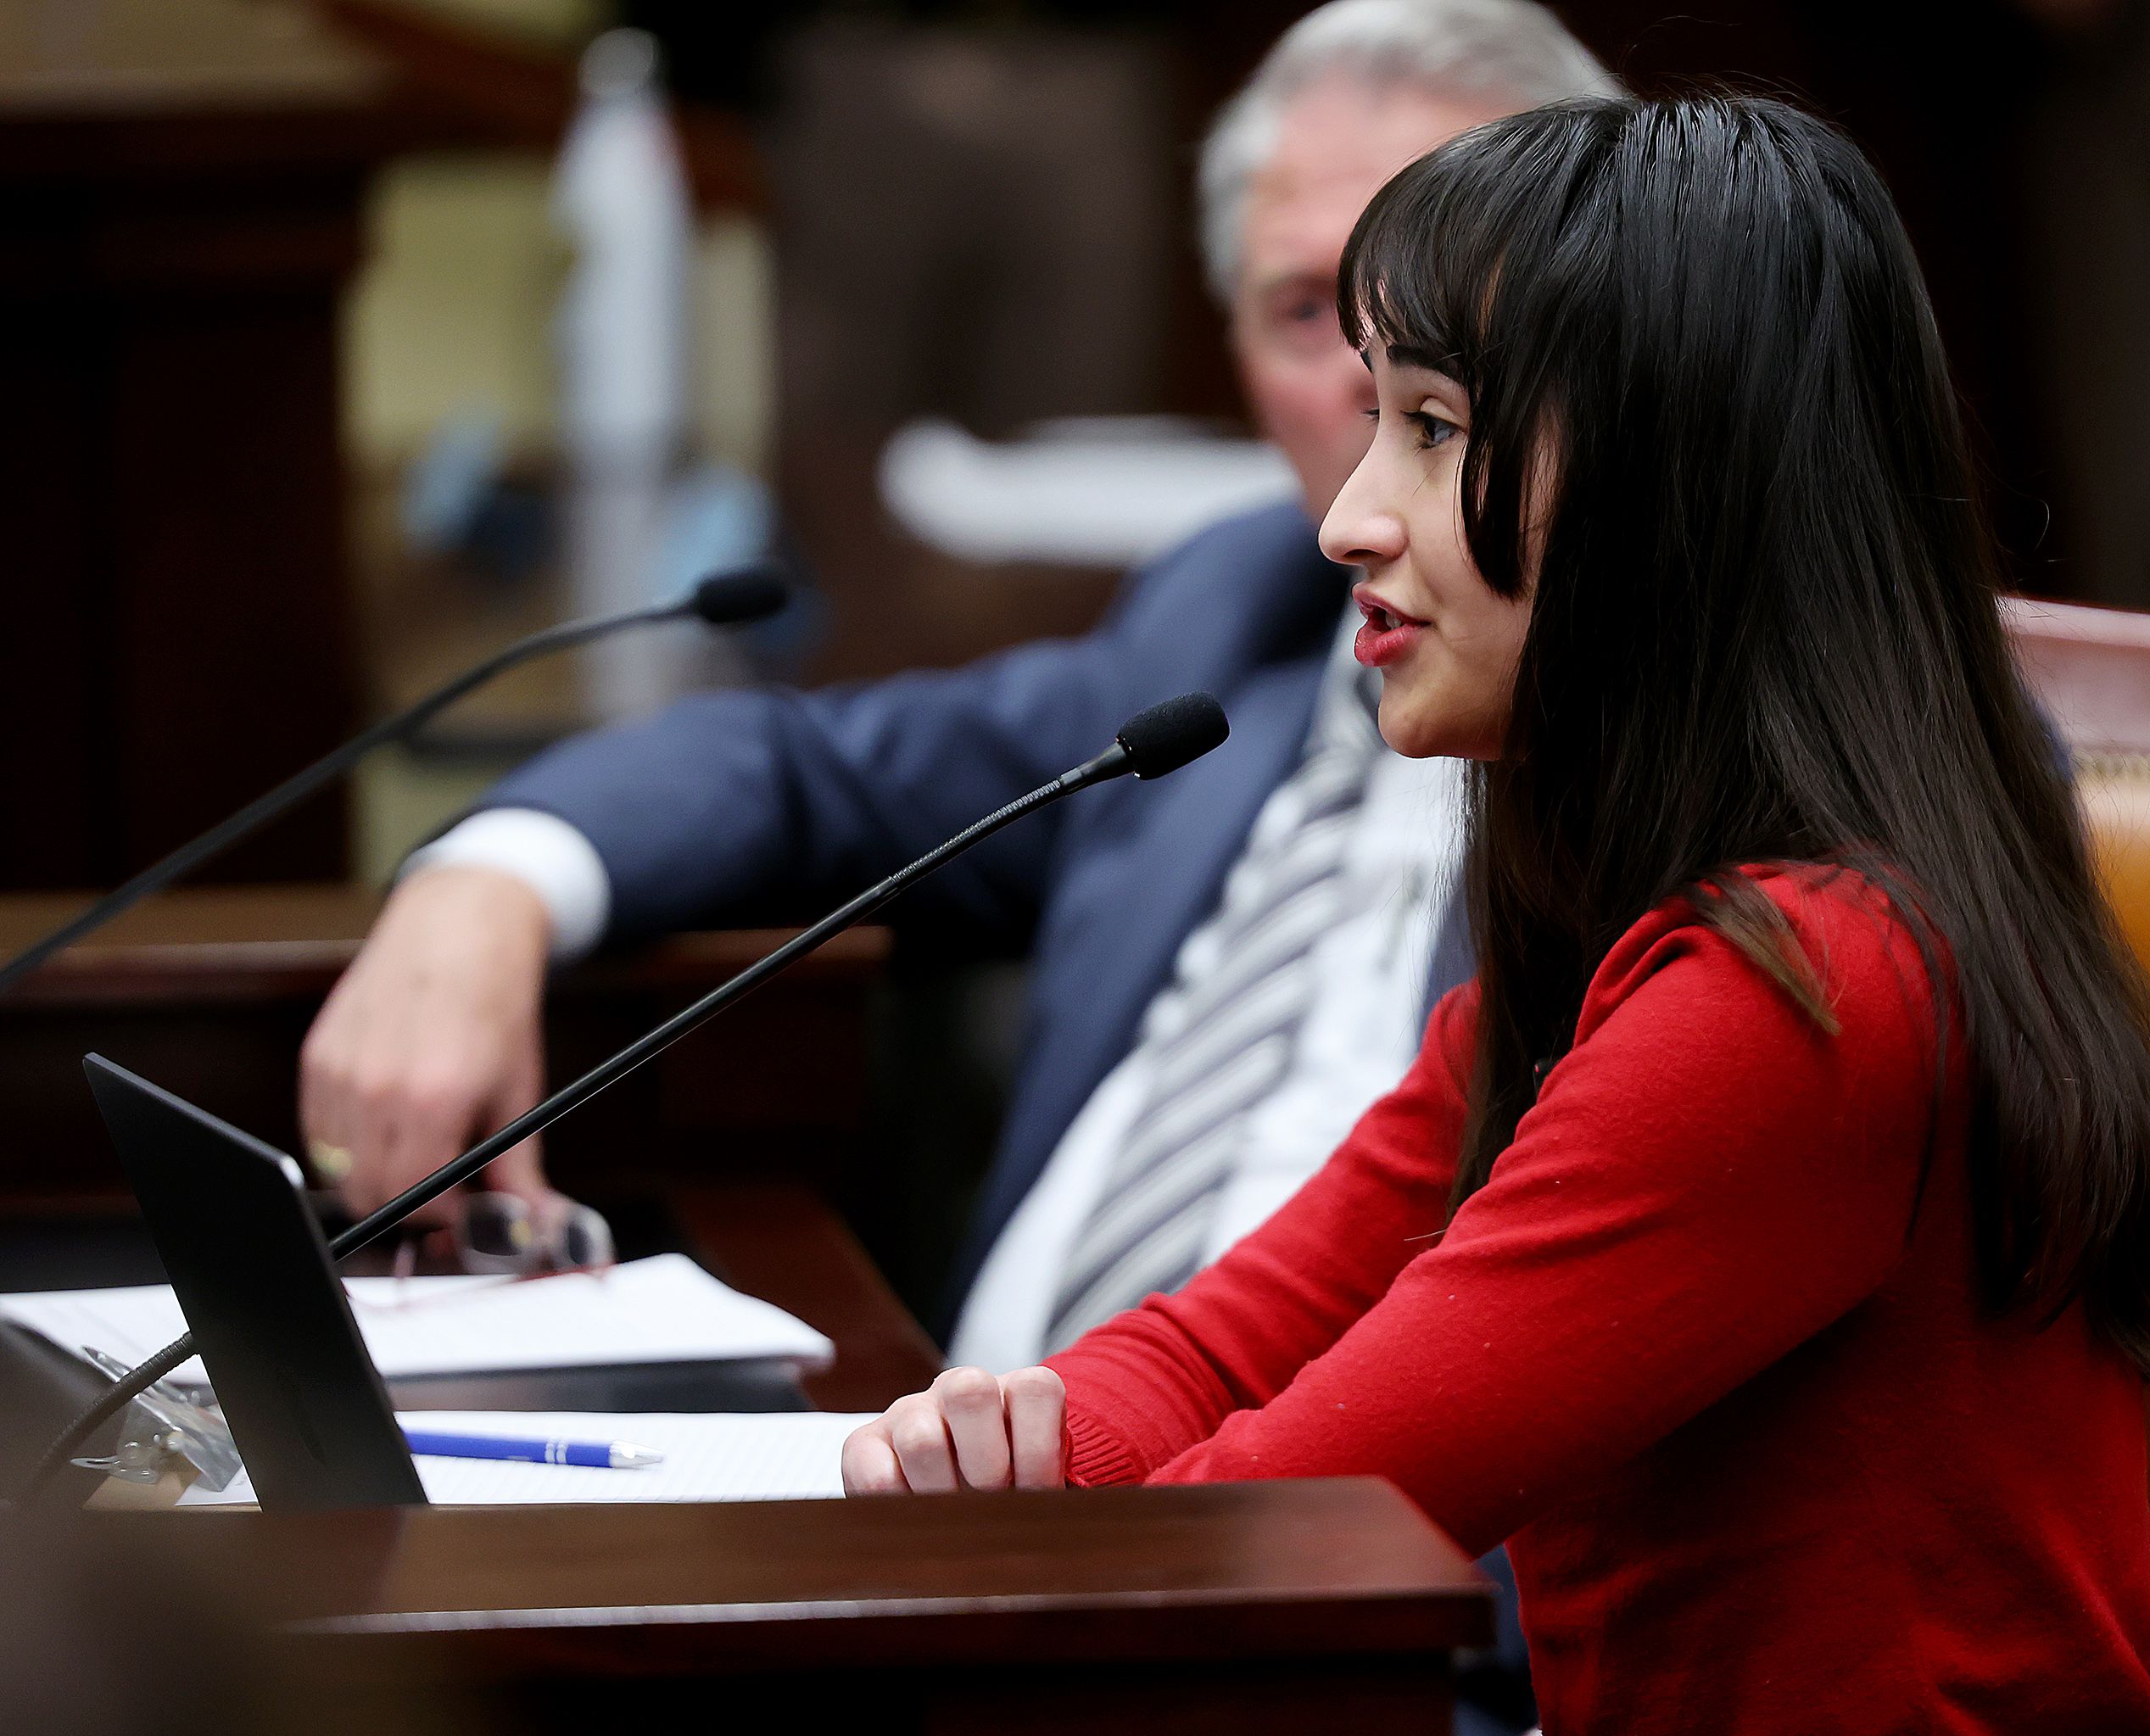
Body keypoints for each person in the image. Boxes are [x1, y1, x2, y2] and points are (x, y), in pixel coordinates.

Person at [841, 94, 2150, 1736]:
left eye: (1434, 428)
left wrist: (965, 1550)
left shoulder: (1801, 1000)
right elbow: (1226, 1350)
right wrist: (1000, 1441)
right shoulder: (1615, 954)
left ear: (1673, 485)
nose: (1348, 516)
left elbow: (1286, 1521)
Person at [297, 1, 1621, 1372]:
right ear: (1228, 348)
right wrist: (487, 885)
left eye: (1445, 315)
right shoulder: (1233, 625)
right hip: (971, 1489)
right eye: (1309, 311)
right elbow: (818, 771)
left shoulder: (1697, 763)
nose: (1372, 386)